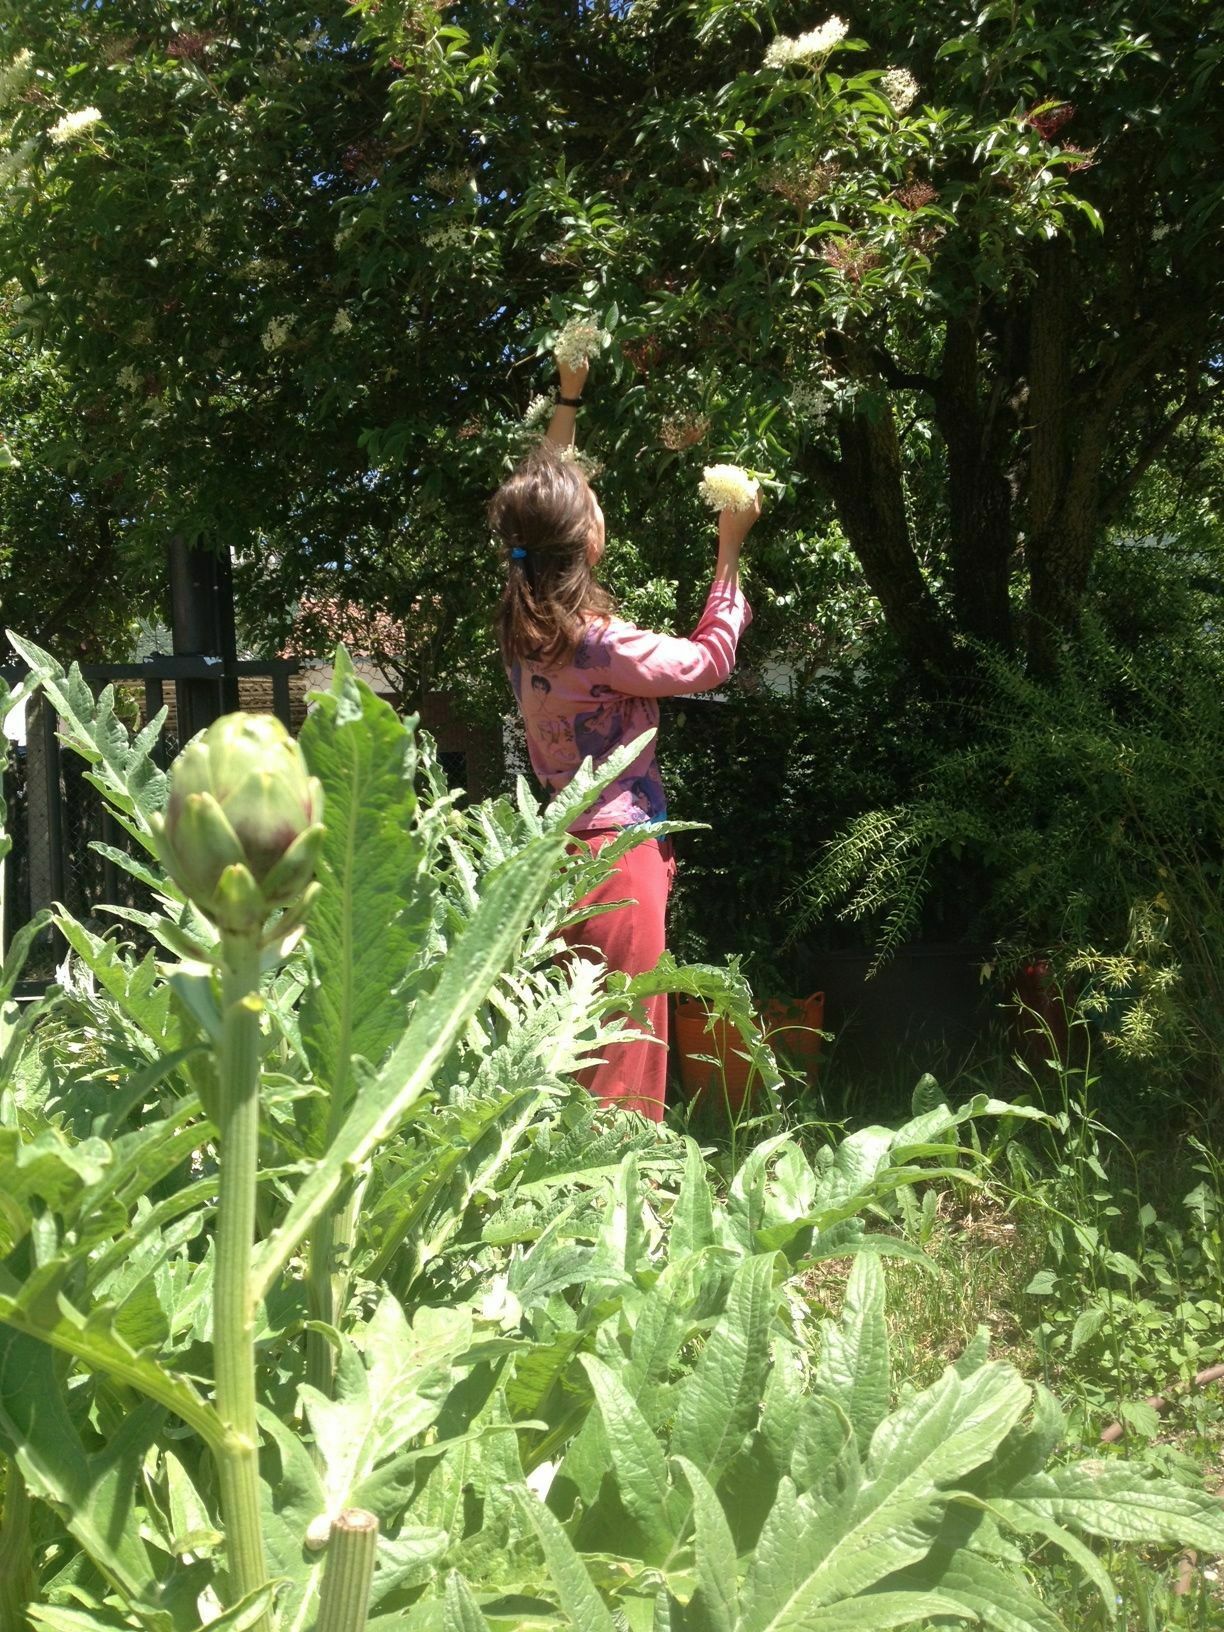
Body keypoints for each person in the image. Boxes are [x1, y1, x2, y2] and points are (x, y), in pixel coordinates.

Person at [489, 350, 760, 1122]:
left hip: (561, 859)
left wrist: (569, 395)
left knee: (576, 1054)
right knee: (624, 1065)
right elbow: (708, 661)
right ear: (587, 543)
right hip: (620, 867)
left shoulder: (521, 623)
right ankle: (620, 1220)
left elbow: (537, 495)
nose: (596, 503)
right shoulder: (602, 644)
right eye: (591, 502)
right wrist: (729, 550)